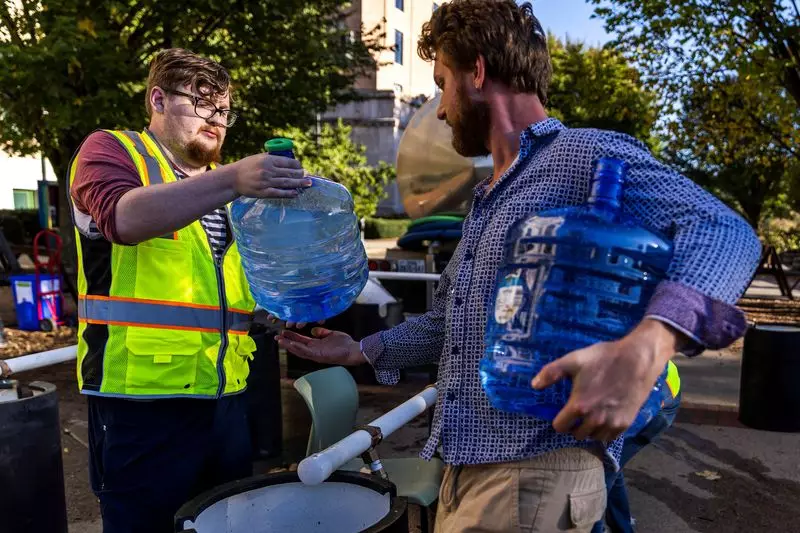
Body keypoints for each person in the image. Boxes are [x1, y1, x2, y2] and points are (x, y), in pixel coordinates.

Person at [277, 2, 762, 531]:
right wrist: (360, 349)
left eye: (443, 82)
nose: (440, 109)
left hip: (537, 473)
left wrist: (651, 343)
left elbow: (724, 232)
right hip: (468, 472)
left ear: (478, 72)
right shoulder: (489, 198)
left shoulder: (583, 156)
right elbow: (454, 327)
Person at [67, 48, 311, 533]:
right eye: (202, 105)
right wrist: (235, 178)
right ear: (157, 99)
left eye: (223, 110)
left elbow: (218, 292)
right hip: (141, 404)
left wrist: (274, 312)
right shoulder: (112, 151)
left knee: (222, 526)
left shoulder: (228, 193)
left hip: (226, 398)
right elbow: (123, 218)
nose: (216, 120)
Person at [592, 362, 682, 533]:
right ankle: (623, 527)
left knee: (598, 478)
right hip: (650, 393)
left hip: (656, 403)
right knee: (612, 465)